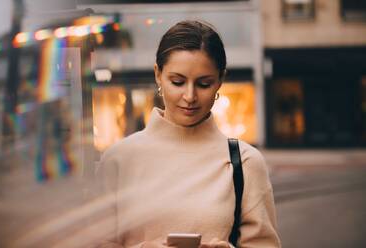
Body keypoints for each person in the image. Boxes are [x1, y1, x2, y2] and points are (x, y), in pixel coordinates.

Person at [98, 20, 281, 248]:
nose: (190, 96)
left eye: (204, 84)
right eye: (177, 82)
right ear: (158, 75)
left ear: (220, 81)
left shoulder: (245, 162)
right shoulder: (118, 160)